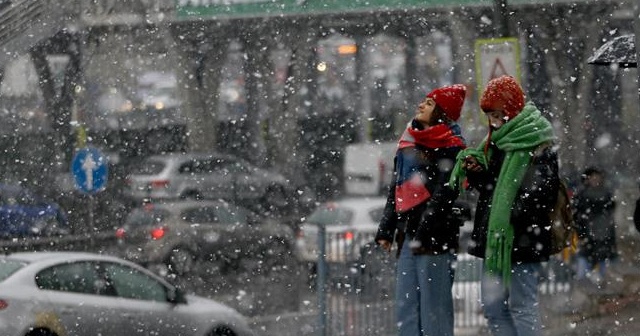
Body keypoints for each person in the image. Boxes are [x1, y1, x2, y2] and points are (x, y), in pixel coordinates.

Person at [448, 75, 558, 336]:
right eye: (489, 115)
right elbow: (492, 188)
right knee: (493, 307)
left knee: (522, 306)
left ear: (511, 109)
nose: (494, 121)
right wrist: (476, 173)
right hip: (495, 242)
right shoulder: (496, 142)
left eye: (498, 114)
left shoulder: (536, 140)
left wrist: (510, 212)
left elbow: (543, 194)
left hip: (522, 239)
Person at [375, 84, 467, 336]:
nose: (421, 105)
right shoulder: (408, 143)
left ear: (442, 112)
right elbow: (397, 188)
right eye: (423, 101)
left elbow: (446, 192)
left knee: (433, 312)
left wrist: (425, 227)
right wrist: (387, 228)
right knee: (407, 309)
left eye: (428, 103)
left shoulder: (452, 146)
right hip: (408, 236)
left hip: (435, 238)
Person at [572, 166, 617, 284]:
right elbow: (577, 217)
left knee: (603, 273)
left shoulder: (605, 194)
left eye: (597, 177)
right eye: (593, 177)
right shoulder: (582, 195)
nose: (595, 180)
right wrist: (581, 234)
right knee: (584, 271)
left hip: (603, 236)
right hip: (588, 236)